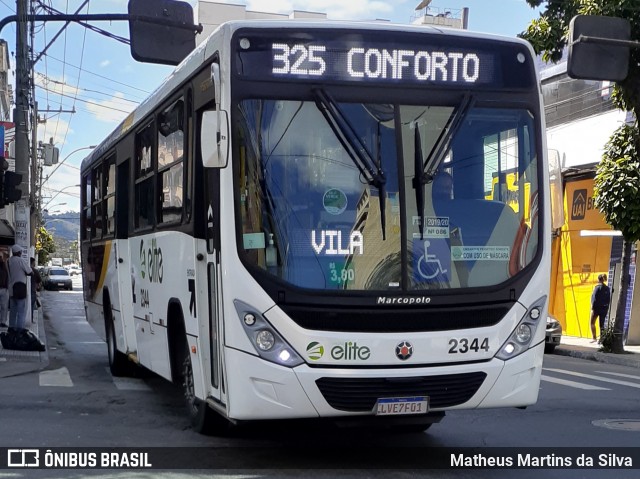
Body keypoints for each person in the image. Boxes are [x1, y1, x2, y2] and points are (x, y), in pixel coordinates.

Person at [7, 244, 32, 332]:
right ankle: (20, 330)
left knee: (13, 311)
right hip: (20, 289)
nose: (21, 253)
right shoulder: (20, 260)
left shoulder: (8, 261)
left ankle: (11, 328)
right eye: (20, 251)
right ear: (18, 252)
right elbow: (30, 272)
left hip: (11, 290)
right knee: (21, 311)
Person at [590, 273, 611, 342]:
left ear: (598, 279)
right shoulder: (607, 288)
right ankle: (602, 339)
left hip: (596, 308)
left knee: (592, 322)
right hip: (604, 309)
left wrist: (592, 307)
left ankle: (594, 338)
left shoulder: (597, 287)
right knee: (601, 324)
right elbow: (608, 299)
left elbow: (594, 298)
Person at [30, 257, 42, 323]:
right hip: (32, 291)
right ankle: (31, 319)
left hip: (24, 290)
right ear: (33, 263)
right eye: (34, 262)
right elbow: (39, 281)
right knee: (31, 306)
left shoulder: (25, 270)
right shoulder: (35, 271)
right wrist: (37, 288)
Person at [0, 251, 9, 327]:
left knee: (4, 306)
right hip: (3, 288)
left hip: (4, 288)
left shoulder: (5, 266)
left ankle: (3, 322)